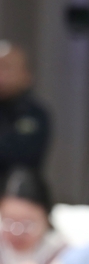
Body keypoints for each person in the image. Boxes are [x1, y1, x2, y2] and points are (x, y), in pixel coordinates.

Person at [0, 167, 66, 264]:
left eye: (27, 224)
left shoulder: (62, 253)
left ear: (46, 219)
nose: (17, 232)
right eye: (9, 222)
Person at [0, 41, 50, 181]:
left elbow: (22, 155)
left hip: (16, 187)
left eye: (6, 68)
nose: (1, 75)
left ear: (26, 75)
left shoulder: (34, 114)